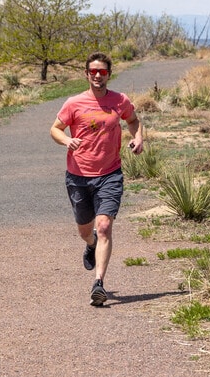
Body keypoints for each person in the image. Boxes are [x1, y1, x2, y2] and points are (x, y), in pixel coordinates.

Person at [50, 52, 144, 306]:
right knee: (85, 229)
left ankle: (98, 284)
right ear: (87, 74)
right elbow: (55, 129)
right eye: (93, 71)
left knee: (104, 226)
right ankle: (90, 243)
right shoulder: (74, 103)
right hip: (78, 176)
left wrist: (138, 138)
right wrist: (68, 140)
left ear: (109, 75)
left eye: (102, 72)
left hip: (110, 174)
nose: (98, 76)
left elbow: (134, 121)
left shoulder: (119, 101)